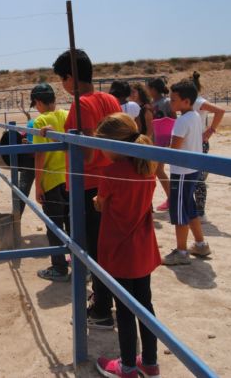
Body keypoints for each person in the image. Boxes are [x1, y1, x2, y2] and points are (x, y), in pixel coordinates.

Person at [52, 49, 121, 329]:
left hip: (88, 186)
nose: (62, 85)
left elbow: (90, 154)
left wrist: (68, 141)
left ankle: (102, 310)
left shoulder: (81, 106)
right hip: (112, 182)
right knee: (106, 247)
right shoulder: (111, 99)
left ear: (69, 78)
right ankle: (104, 300)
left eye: (61, 79)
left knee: (93, 251)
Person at [93, 113, 161, 378]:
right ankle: (151, 362)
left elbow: (102, 202)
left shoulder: (111, 172)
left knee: (123, 309)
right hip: (143, 248)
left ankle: (128, 366)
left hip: (119, 249)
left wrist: (98, 203)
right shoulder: (147, 167)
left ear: (114, 145)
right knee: (145, 305)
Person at [162, 80, 212, 265]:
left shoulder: (182, 120)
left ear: (186, 101)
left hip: (182, 171)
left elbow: (174, 148)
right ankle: (200, 244)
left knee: (179, 210)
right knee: (189, 208)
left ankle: (181, 251)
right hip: (191, 169)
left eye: (174, 99)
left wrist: (161, 149)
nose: (170, 102)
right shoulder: (195, 116)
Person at [30, 83, 71, 282]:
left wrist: (38, 185)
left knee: (54, 226)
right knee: (72, 224)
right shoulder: (66, 115)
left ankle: (59, 267)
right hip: (69, 178)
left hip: (52, 180)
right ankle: (81, 265)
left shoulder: (40, 122)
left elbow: (40, 155)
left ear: (38, 102)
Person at [189, 72, 225, 223]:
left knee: (199, 179)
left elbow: (220, 111)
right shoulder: (193, 101)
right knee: (194, 177)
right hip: (194, 142)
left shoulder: (197, 102)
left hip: (200, 142)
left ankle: (201, 211)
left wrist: (211, 130)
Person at [147, 78, 176, 212]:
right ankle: (171, 198)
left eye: (149, 88)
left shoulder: (166, 102)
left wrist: (171, 138)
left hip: (163, 141)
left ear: (154, 89)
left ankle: (172, 199)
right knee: (156, 171)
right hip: (154, 140)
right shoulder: (152, 103)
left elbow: (174, 119)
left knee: (158, 170)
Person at [0, 130, 35, 215]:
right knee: (23, 191)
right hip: (31, 159)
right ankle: (16, 217)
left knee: (23, 190)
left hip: (29, 160)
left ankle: (16, 218)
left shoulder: (36, 122)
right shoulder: (34, 123)